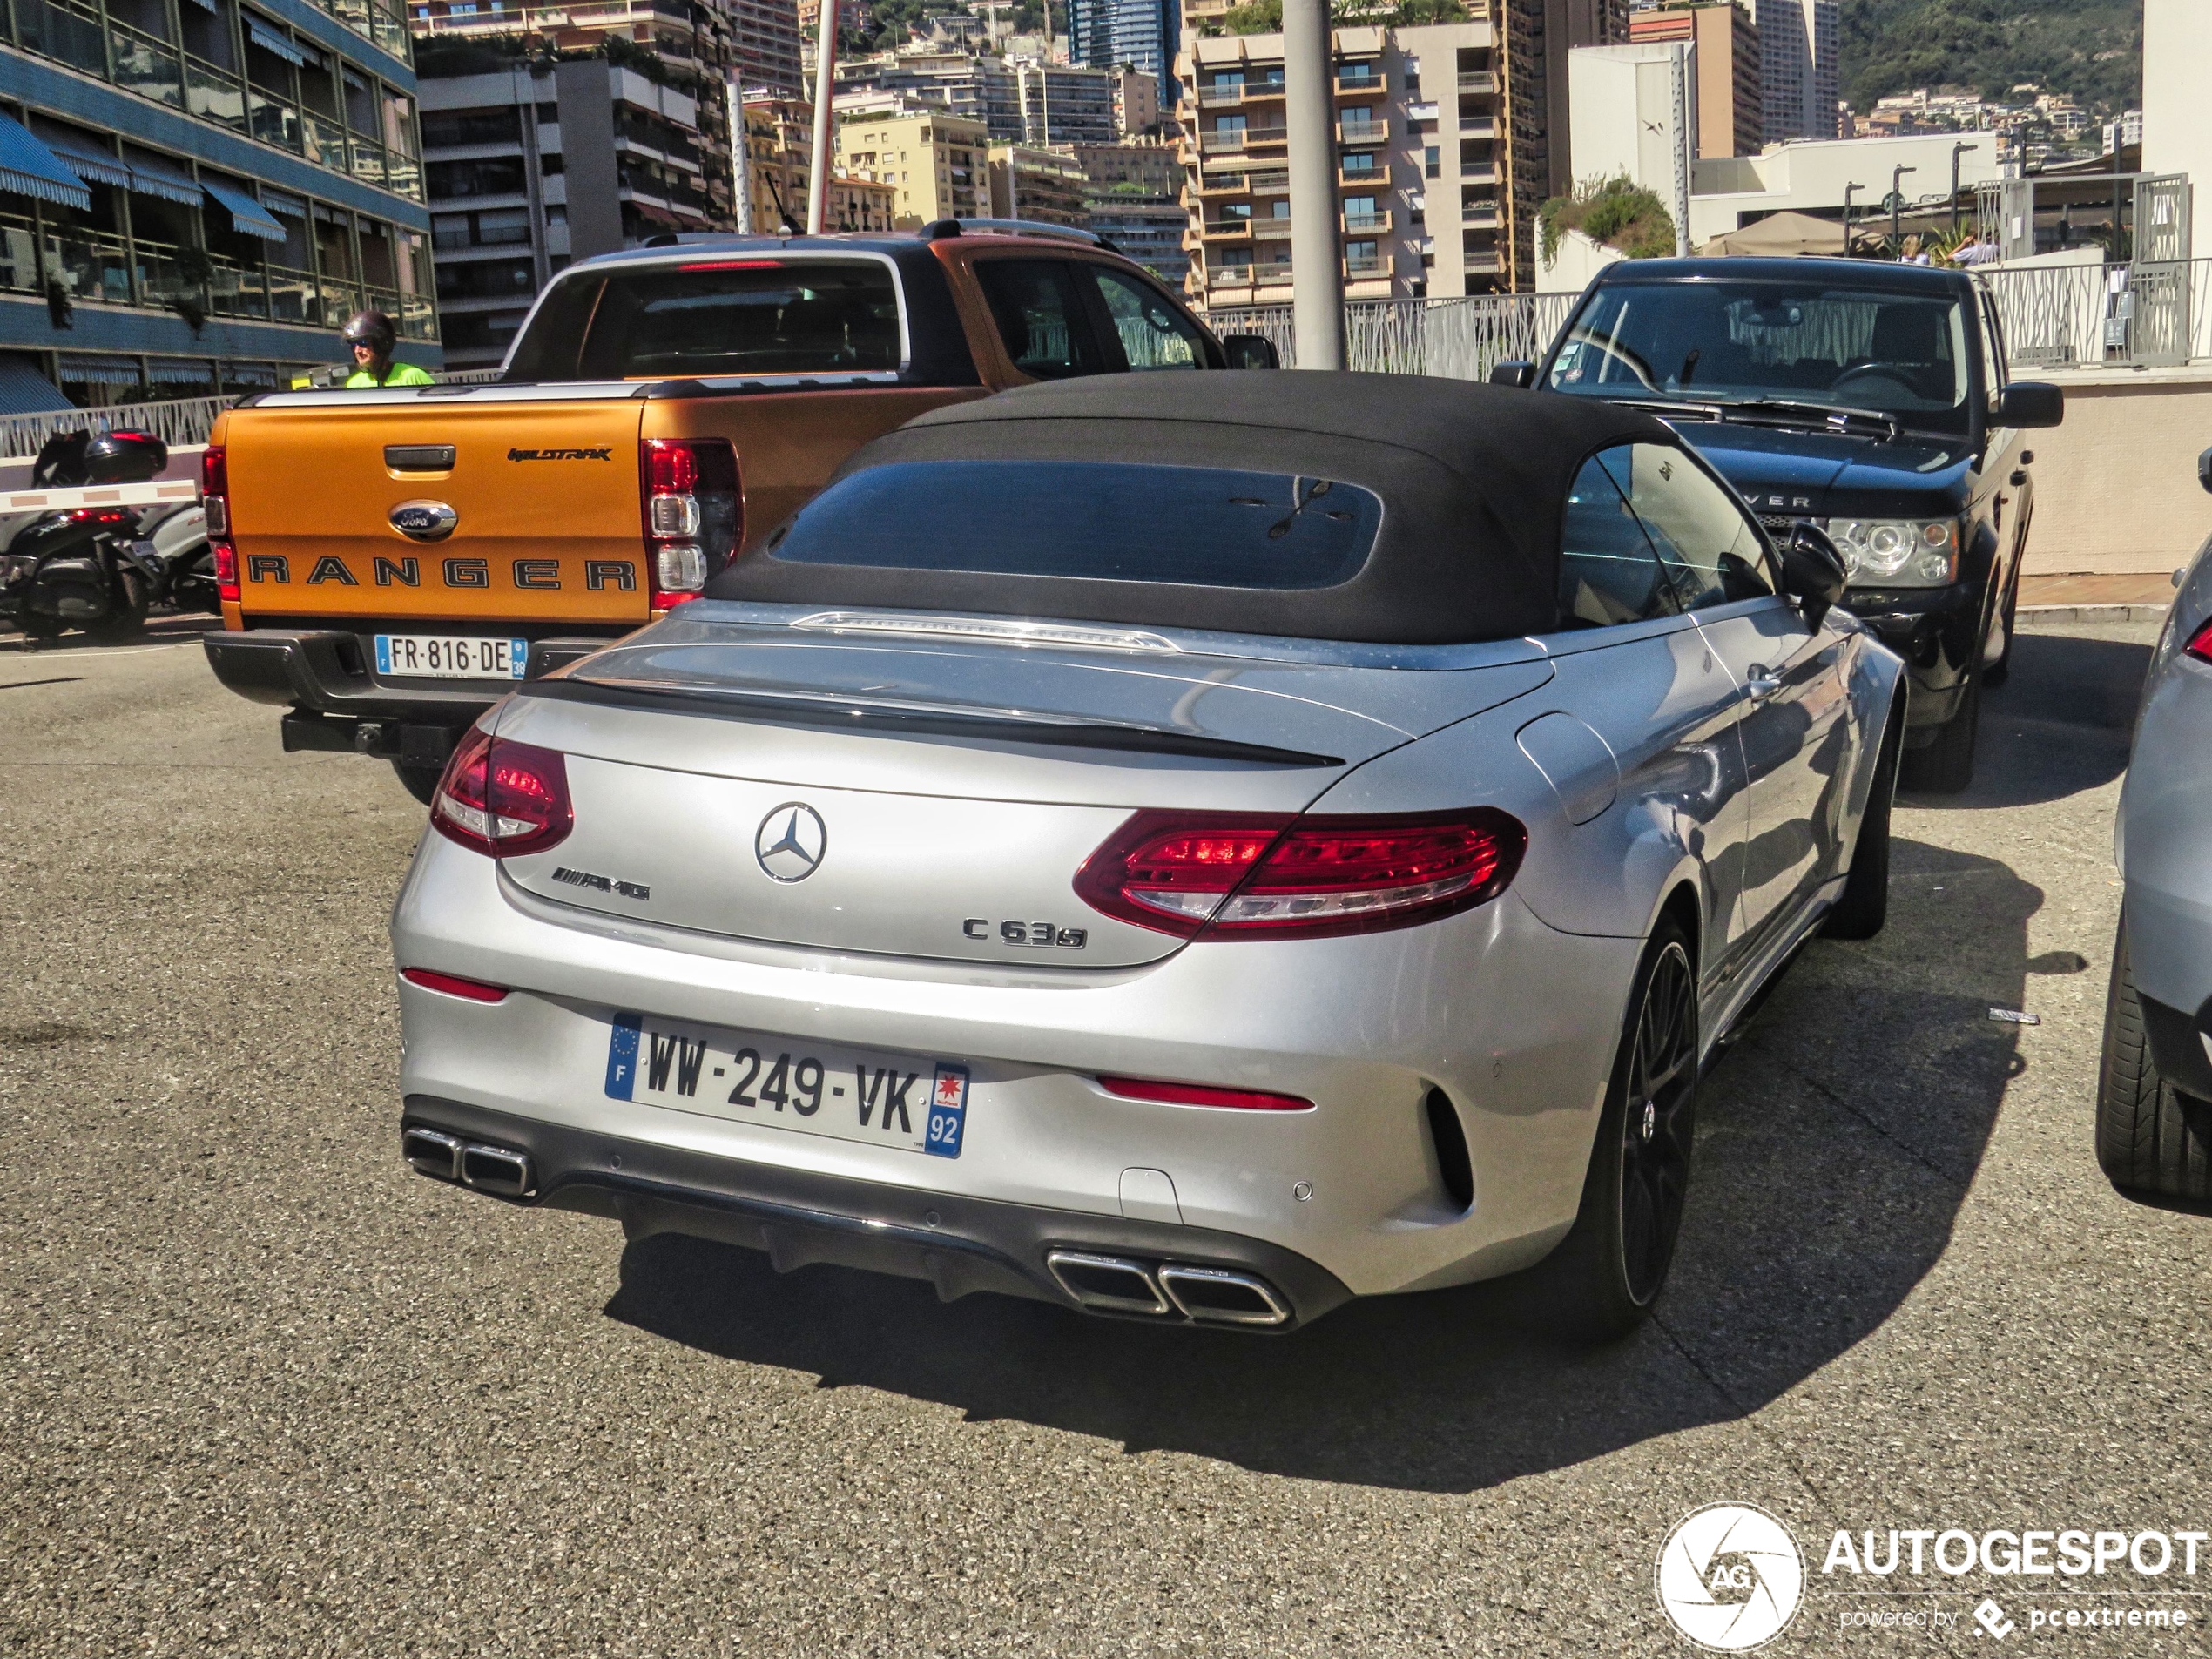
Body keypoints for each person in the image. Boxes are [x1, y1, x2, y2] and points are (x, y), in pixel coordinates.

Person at [290, 309, 434, 388]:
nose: (357, 350)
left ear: (383, 343)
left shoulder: (412, 377)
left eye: (364, 343)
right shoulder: (354, 384)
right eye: (353, 345)